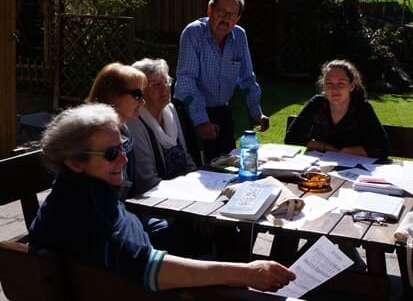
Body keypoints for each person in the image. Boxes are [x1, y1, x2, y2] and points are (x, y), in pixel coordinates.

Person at [28, 103, 295, 293]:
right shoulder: (92, 211)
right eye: (111, 154)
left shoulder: (72, 194)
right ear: (74, 162)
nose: (123, 158)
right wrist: (247, 273)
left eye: (123, 146)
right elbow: (149, 270)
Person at [174, 0, 268, 163]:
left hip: (221, 111)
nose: (226, 19)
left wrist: (257, 113)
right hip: (190, 112)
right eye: (222, 12)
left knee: (228, 165)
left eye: (232, 15)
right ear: (210, 10)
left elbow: (247, 79)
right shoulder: (193, 33)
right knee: (199, 168)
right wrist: (201, 121)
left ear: (237, 19)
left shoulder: (239, 36)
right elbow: (187, 80)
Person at [285, 59, 390, 159]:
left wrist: (344, 151)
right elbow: (291, 138)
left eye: (341, 83)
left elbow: (383, 149)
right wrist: (329, 148)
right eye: (329, 83)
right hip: (318, 170)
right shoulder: (317, 103)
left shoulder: (362, 108)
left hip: (354, 170)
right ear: (324, 86)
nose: (334, 89)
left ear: (352, 86)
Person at [129, 58, 195, 195]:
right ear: (141, 91)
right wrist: (184, 191)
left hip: (186, 191)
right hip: (157, 200)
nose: (165, 88)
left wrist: (195, 179)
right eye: (156, 84)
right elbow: (146, 182)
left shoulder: (170, 110)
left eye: (166, 82)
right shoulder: (134, 122)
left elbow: (186, 158)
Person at [85, 62, 148, 199]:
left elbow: (130, 187)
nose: (143, 102)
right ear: (112, 95)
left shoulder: (125, 131)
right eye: (137, 95)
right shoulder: (95, 138)